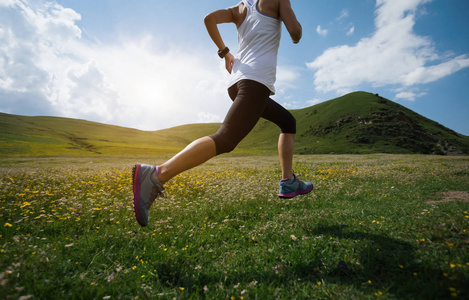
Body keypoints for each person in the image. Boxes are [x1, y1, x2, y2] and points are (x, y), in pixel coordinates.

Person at [132, 0, 313, 227]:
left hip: (238, 82)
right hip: (255, 82)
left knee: (288, 122)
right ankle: (157, 174)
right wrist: (292, 25)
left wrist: (225, 52)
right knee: (225, 139)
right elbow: (295, 32)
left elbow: (209, 19)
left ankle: (288, 182)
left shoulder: (241, 7)